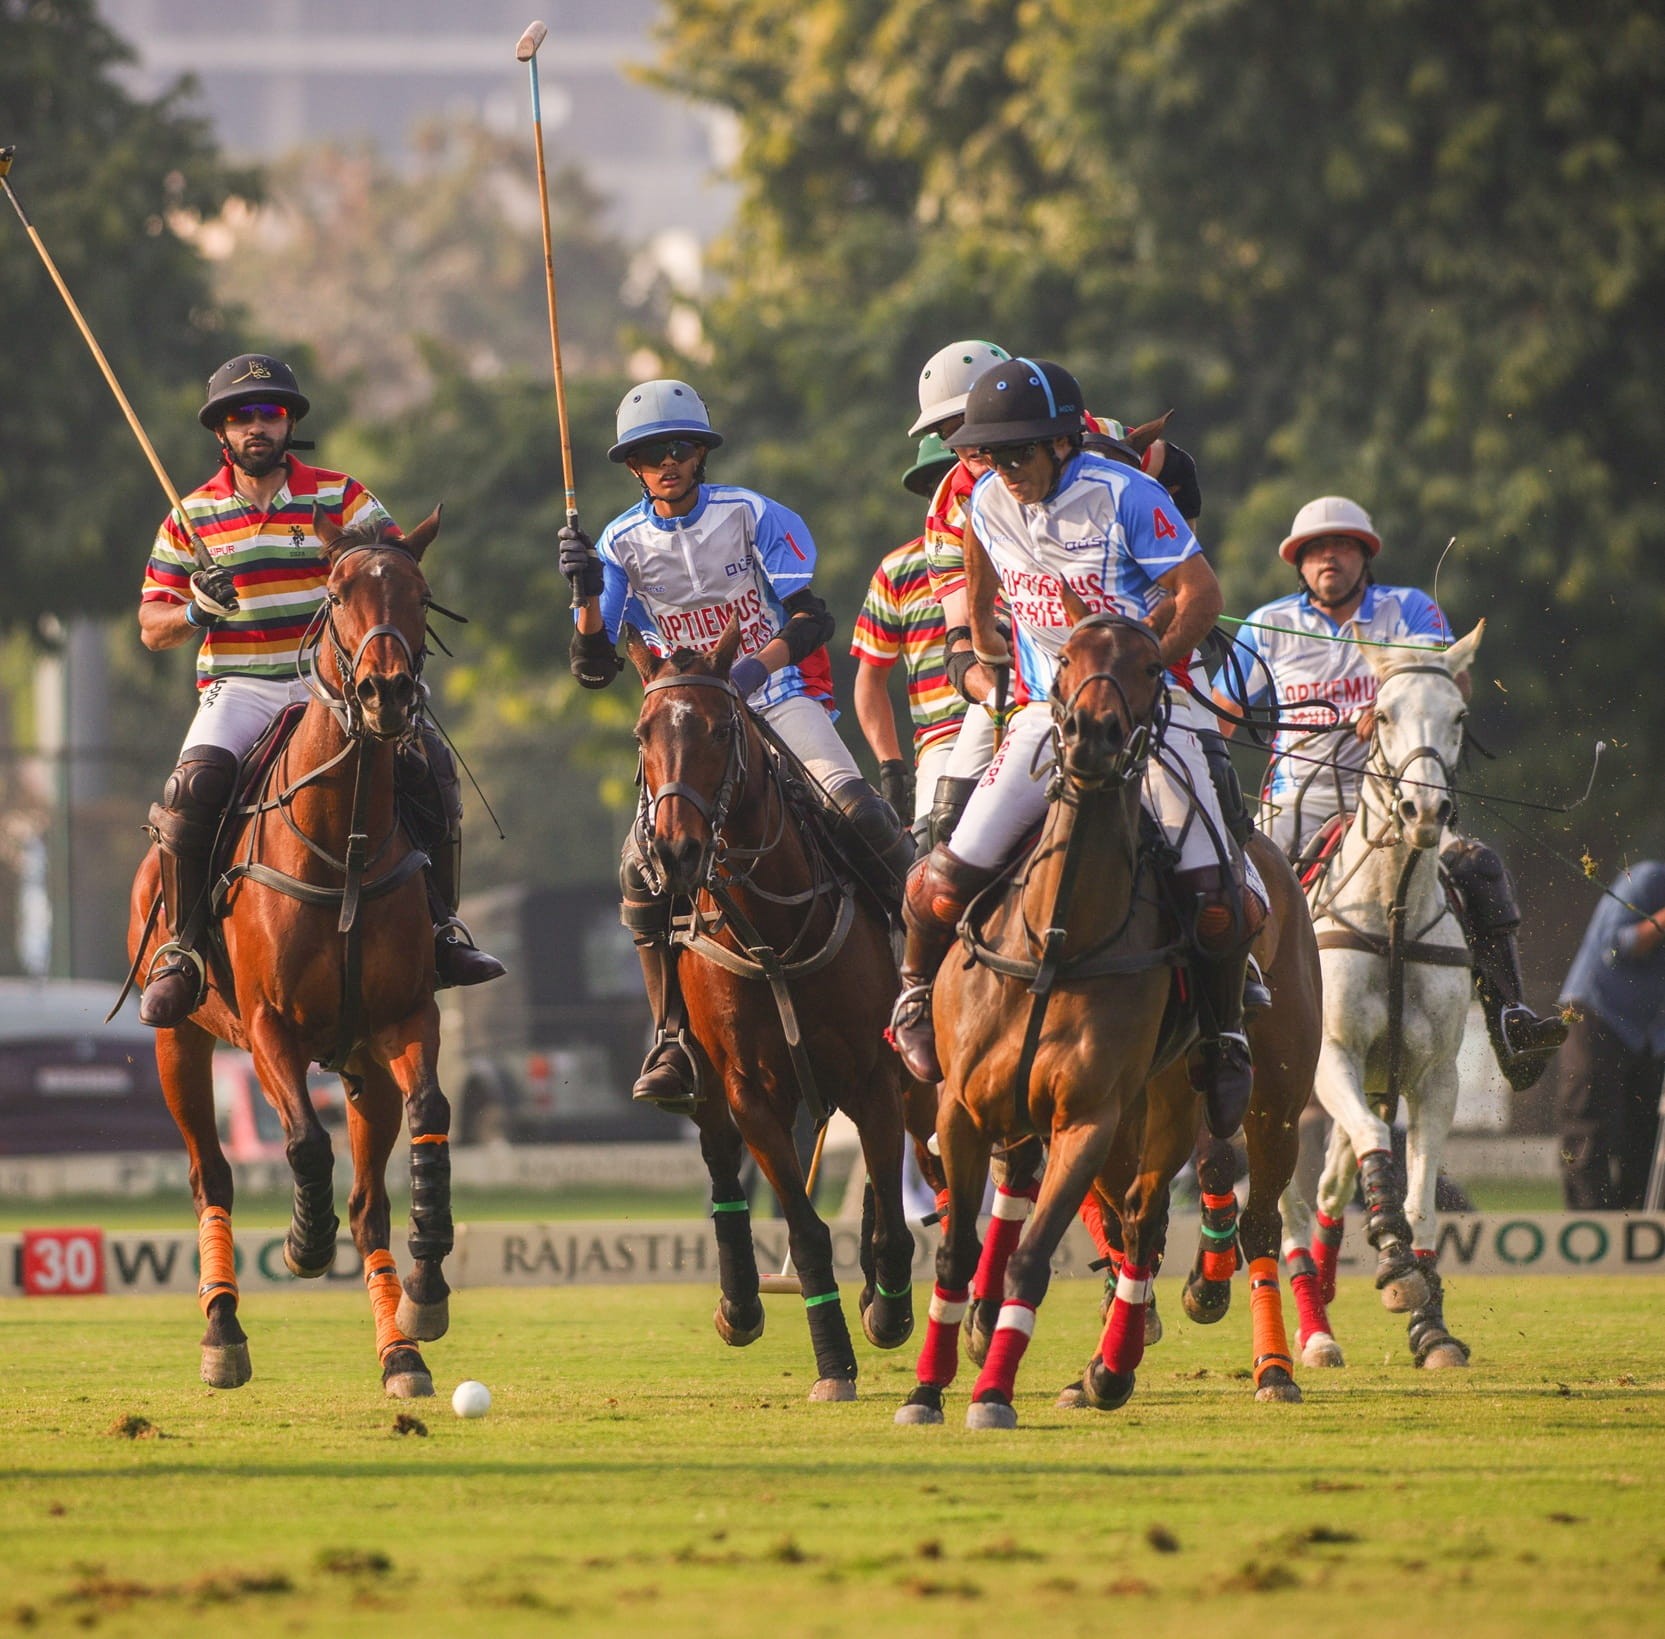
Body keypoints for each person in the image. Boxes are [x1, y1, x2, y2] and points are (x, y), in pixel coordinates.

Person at [888, 357, 1263, 1139]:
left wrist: (1148, 672)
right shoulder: (987, 498)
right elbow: (980, 561)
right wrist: (983, 633)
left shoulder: (1127, 495)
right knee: (941, 879)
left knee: (1221, 902)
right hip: (1043, 718)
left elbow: (1202, 594)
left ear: (1062, 442)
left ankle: (1224, 1038)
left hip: (1145, 714)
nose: (1002, 468)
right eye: (989, 453)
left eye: (1017, 451)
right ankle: (915, 992)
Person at [562, 378, 912, 1110]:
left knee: (859, 812)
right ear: (632, 467)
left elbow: (810, 619)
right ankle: (667, 1036)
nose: (667, 464)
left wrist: (745, 674)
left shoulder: (753, 515)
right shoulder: (618, 543)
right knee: (637, 865)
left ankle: (923, 974)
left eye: (680, 449)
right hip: (687, 725)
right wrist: (587, 595)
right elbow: (594, 669)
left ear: (700, 454)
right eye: (651, 454)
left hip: (777, 699)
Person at [136, 353, 504, 1028]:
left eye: (270, 414)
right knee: (192, 785)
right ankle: (184, 952)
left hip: (332, 683)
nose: (257, 427)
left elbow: (396, 566)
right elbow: (151, 625)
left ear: (289, 424)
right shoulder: (190, 516)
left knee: (430, 766)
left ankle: (442, 928)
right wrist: (195, 608)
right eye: (242, 416)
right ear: (223, 430)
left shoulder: (341, 494)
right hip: (242, 685)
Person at [1217, 493, 1565, 1091]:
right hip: (1300, 802)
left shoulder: (1409, 610)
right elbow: (1223, 714)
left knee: (1478, 868)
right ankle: (1222, 1029)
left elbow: (1452, 684)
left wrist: (1383, 708)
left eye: (1343, 546)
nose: (1329, 557)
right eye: (1315, 549)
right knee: (1229, 885)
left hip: (1398, 803)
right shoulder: (1267, 624)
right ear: (1298, 563)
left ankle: (1510, 1020)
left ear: (1364, 557)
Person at [850, 433, 965, 836]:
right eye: (937, 483)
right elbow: (870, 679)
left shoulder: (1019, 547)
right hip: (945, 738)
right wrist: (891, 765)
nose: (950, 491)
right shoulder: (897, 570)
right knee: (929, 844)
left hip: (1026, 718)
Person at [1556, 863, 1665, 1209]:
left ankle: (1637, 1241)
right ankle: (1590, 1237)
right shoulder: (1648, 878)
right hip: (1597, 1013)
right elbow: (1614, 949)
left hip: (1649, 1033)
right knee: (1590, 1129)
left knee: (1647, 1137)